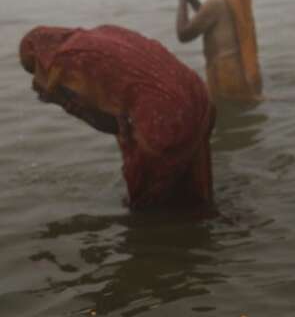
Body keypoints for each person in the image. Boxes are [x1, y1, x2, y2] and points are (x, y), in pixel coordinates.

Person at [19, 25, 215, 210]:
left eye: (33, 69)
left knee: (148, 205)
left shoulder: (65, 63)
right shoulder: (103, 32)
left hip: (165, 115)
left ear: (39, 59)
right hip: (199, 95)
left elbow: (109, 123)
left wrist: (60, 100)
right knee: (192, 195)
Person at [165, 0, 263, 104]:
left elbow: (183, 34)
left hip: (225, 77)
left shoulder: (215, 2)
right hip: (238, 74)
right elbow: (204, 19)